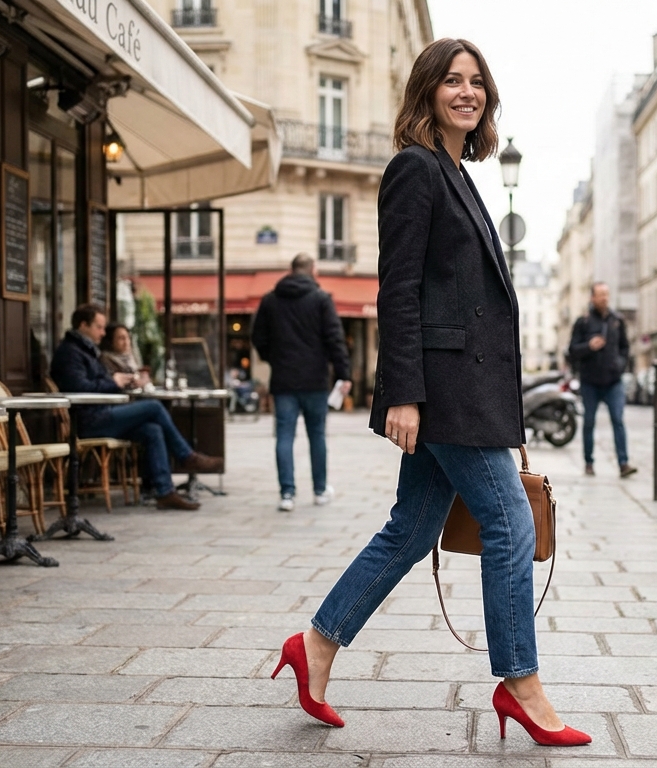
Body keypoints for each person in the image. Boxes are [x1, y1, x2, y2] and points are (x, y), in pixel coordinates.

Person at [269, 38, 590, 747]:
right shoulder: (415, 168)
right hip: (446, 390)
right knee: (510, 524)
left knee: (412, 530)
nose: (467, 92)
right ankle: (520, 683)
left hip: (464, 388)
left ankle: (315, 644)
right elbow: (400, 287)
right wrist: (404, 394)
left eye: (477, 81)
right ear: (427, 92)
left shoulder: (456, 172)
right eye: (452, 80)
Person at [50, 304, 219, 511]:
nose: (103, 333)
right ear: (83, 325)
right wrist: (114, 382)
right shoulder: (70, 353)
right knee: (153, 407)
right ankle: (187, 456)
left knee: (152, 430)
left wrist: (121, 381)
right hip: (89, 419)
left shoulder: (86, 350)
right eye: (99, 327)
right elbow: (79, 389)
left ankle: (165, 492)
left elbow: (97, 383)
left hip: (100, 414)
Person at [251, 253, 353, 512]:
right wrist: (344, 374)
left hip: (283, 380)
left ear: (291, 269)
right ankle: (320, 490)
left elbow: (258, 337)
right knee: (317, 435)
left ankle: (287, 494)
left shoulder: (270, 300)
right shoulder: (321, 299)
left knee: (284, 435)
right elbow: (335, 339)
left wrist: (274, 359)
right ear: (313, 270)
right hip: (315, 380)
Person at [568, 283, 635, 478]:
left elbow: (625, 348)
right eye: (601, 295)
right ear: (592, 298)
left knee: (618, 420)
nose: (605, 298)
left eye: (606, 294)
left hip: (613, 381)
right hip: (590, 381)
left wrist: (619, 365)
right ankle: (589, 462)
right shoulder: (583, 321)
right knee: (589, 422)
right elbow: (572, 351)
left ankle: (623, 463)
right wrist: (589, 346)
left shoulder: (617, 320)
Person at [99, 324, 150, 391]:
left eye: (128, 337)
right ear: (111, 341)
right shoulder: (106, 359)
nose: (126, 342)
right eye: (121, 338)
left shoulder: (132, 357)